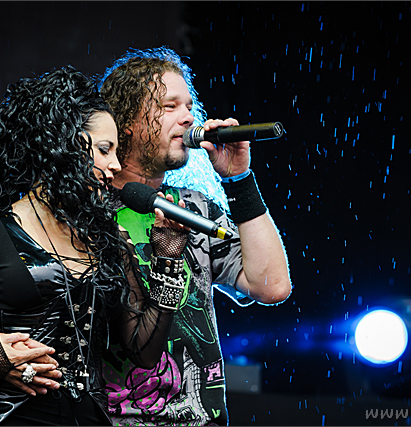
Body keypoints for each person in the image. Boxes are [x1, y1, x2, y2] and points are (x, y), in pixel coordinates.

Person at [0, 65, 192, 426]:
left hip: (87, 418)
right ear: (63, 147)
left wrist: (168, 257)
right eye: (104, 150)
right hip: (8, 416)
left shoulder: (109, 237)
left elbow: (144, 351)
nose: (115, 165)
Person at [97, 47, 292, 425]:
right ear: (125, 123)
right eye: (169, 106)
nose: (188, 117)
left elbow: (272, 286)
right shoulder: (89, 213)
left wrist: (238, 179)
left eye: (189, 106)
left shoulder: (194, 209)